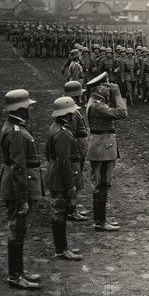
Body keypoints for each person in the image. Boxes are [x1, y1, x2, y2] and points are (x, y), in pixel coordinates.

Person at [0, 89, 42, 289]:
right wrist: (23, 198)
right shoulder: (15, 132)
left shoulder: (15, 127)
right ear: (21, 109)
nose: (30, 109)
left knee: (19, 229)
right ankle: (15, 276)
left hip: (17, 185)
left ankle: (19, 272)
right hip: (18, 188)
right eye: (28, 106)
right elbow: (18, 167)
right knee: (17, 229)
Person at [86, 72, 128, 231]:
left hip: (103, 145)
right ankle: (99, 221)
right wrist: (117, 93)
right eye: (106, 85)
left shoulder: (97, 102)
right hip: (102, 147)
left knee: (103, 183)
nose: (109, 87)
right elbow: (122, 113)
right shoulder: (98, 106)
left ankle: (101, 218)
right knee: (102, 183)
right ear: (99, 88)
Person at [45, 97, 84, 261]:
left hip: (55, 174)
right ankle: (61, 249)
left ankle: (62, 247)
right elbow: (64, 161)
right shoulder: (62, 133)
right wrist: (71, 185)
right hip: (61, 178)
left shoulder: (56, 127)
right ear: (67, 114)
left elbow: (48, 153)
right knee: (60, 212)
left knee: (60, 211)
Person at [63, 81, 89, 222]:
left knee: (75, 178)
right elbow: (71, 134)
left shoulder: (72, 109)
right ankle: (71, 209)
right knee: (74, 179)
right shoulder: (71, 112)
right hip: (76, 148)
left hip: (79, 146)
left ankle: (72, 207)